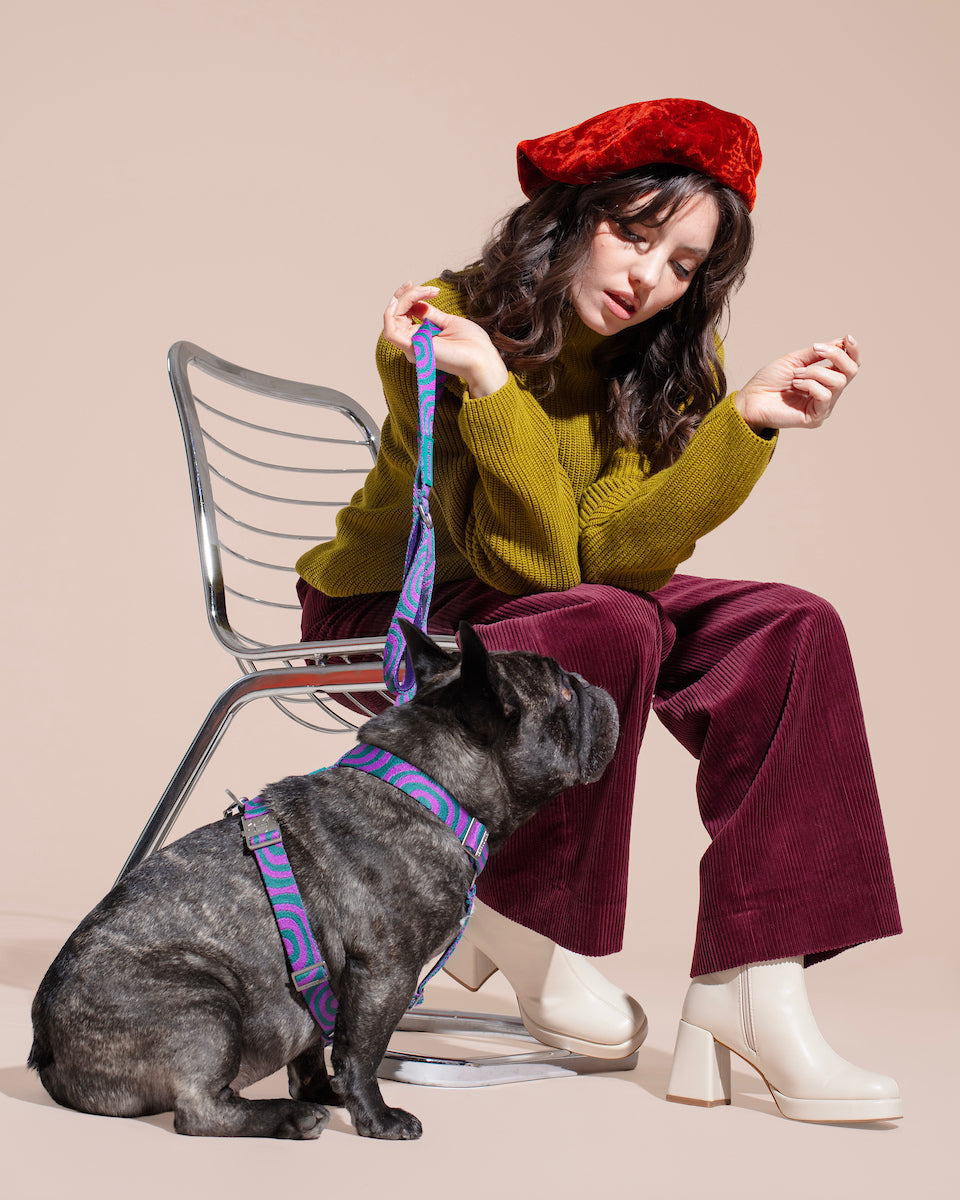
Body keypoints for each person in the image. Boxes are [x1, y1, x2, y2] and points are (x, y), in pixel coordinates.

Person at [295, 99, 902, 1122]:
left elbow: (612, 556)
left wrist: (744, 422)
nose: (647, 278)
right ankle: (528, 914)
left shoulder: (660, 372)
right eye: (635, 231)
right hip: (391, 609)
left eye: (683, 265)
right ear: (574, 215)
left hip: (560, 605)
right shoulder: (441, 322)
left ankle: (756, 985)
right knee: (610, 625)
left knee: (792, 625)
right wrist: (487, 375)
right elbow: (530, 563)